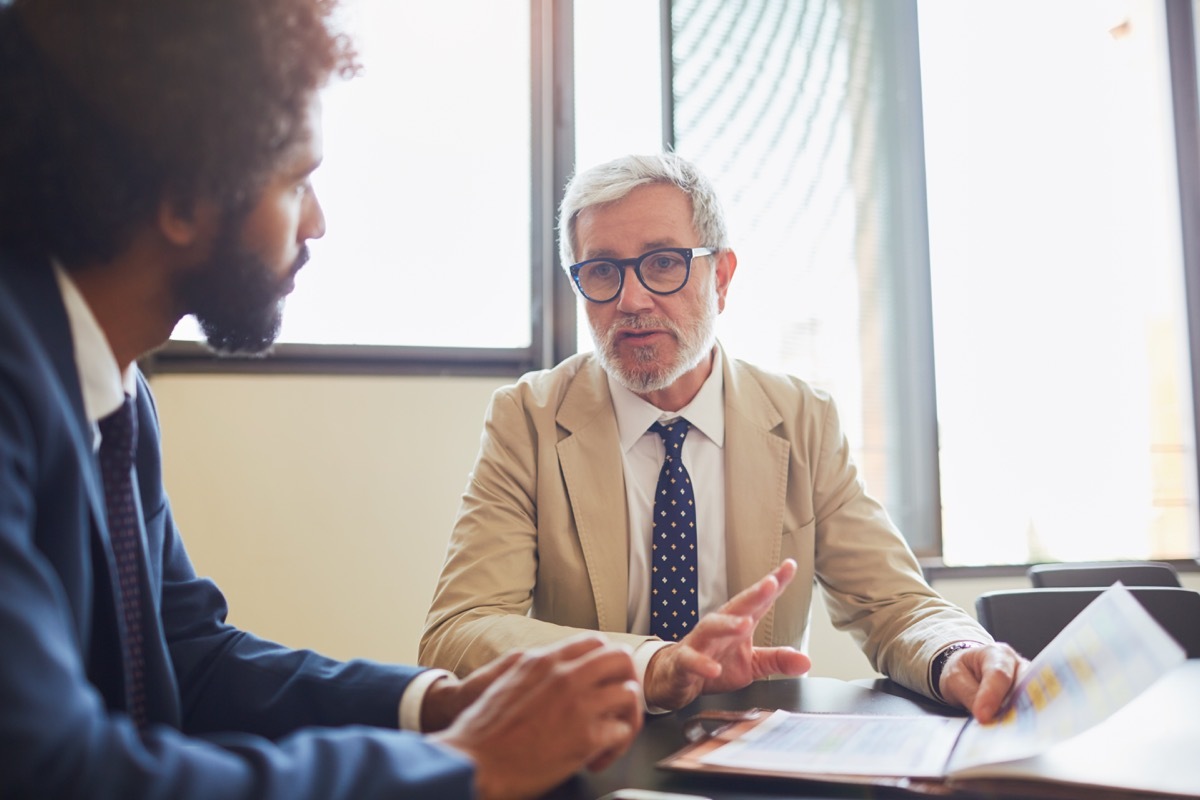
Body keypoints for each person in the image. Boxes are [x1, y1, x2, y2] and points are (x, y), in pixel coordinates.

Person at [0, 1, 642, 798]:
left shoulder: (113, 389)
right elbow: (52, 770)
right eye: (298, 182)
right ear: (185, 202)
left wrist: (435, 708)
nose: (318, 222)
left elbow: (189, 657)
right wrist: (473, 765)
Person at [420, 152, 1023, 720]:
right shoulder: (527, 418)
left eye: (663, 262)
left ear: (723, 277)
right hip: (590, 746)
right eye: (601, 271)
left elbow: (893, 603)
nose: (631, 299)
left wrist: (955, 653)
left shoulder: (803, 418)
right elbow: (460, 630)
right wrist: (652, 665)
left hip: (757, 751)